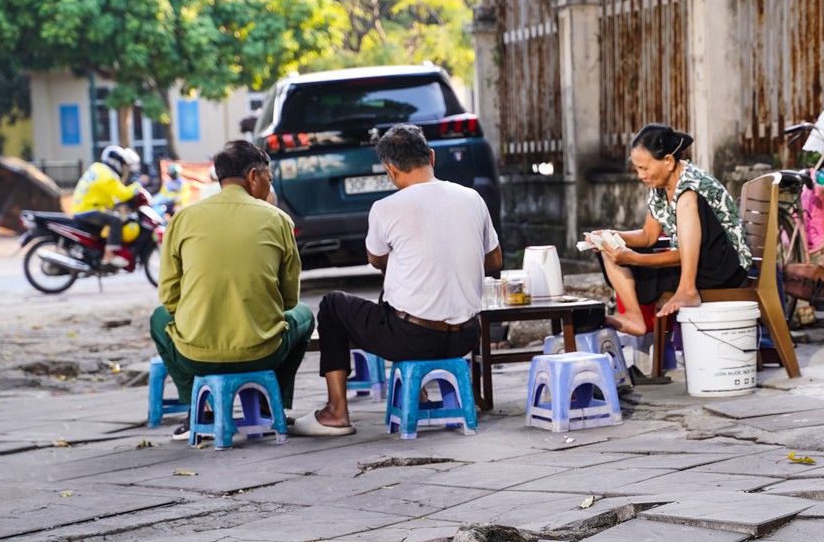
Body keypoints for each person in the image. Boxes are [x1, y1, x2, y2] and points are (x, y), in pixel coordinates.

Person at [293, 123, 502, 437]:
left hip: (410, 337)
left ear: (390, 170)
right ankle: (418, 392)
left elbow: (377, 260)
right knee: (405, 289)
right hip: (465, 336)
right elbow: (495, 261)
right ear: (431, 156)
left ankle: (336, 411)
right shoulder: (472, 197)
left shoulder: (385, 208)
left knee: (334, 305)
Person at [150, 140, 313, 441]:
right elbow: (289, 300)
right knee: (304, 315)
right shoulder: (277, 219)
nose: (270, 184)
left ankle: (197, 408)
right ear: (254, 176)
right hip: (263, 352)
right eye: (269, 178)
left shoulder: (183, 219)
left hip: (195, 355)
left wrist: (200, 318)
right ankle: (270, 400)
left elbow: (169, 296)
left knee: (158, 319)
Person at [588, 123, 752, 336]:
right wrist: (610, 236)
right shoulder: (660, 186)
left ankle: (687, 290)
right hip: (695, 263)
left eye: (644, 168)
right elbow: (648, 236)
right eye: (637, 168)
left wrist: (634, 259)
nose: (640, 175)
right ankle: (634, 316)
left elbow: (696, 251)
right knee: (609, 248)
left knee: (686, 200)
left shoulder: (692, 185)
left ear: (668, 161)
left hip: (722, 264)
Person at [72, 145, 142, 268]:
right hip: (88, 210)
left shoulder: (98, 168)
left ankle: (99, 255)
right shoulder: (108, 175)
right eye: (122, 164)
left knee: (110, 220)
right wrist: (139, 184)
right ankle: (109, 255)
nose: (122, 168)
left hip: (83, 208)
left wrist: (115, 205)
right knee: (115, 220)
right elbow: (122, 194)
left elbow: (107, 195)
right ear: (115, 162)